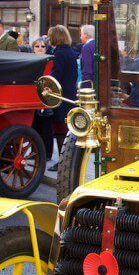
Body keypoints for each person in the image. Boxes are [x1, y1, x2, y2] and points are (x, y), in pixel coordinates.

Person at [46, 25, 78, 171]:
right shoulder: (70, 52)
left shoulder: (59, 53)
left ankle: (62, 163)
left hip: (60, 96)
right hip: (69, 93)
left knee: (60, 130)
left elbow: (55, 77)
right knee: (65, 130)